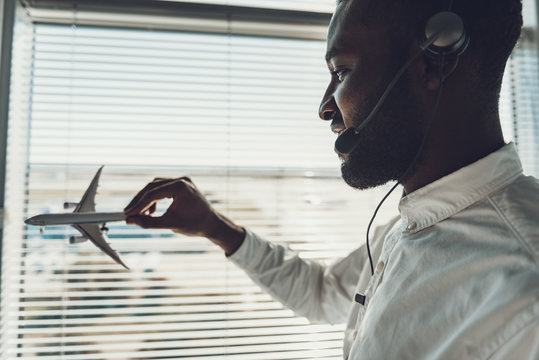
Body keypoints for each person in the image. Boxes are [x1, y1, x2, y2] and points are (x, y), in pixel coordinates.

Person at [125, 0, 539, 358]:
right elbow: (323, 294)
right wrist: (215, 228)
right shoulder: (403, 230)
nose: (325, 107)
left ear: (434, 59)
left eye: (341, 72)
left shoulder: (524, 288)